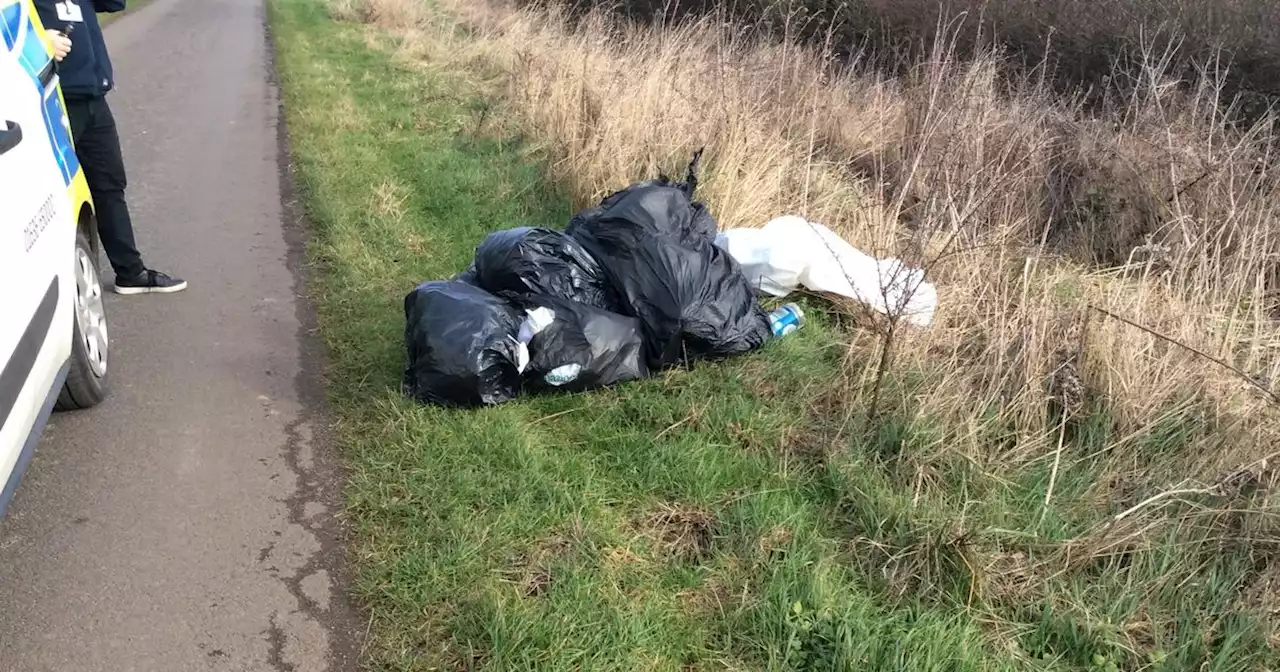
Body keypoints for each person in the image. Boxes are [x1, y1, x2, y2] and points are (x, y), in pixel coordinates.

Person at [37, 0, 186, 294]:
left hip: (94, 100)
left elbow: (115, 3)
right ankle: (57, 291)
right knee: (50, 200)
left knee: (109, 186)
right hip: (53, 102)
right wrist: (40, 41)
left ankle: (130, 273)